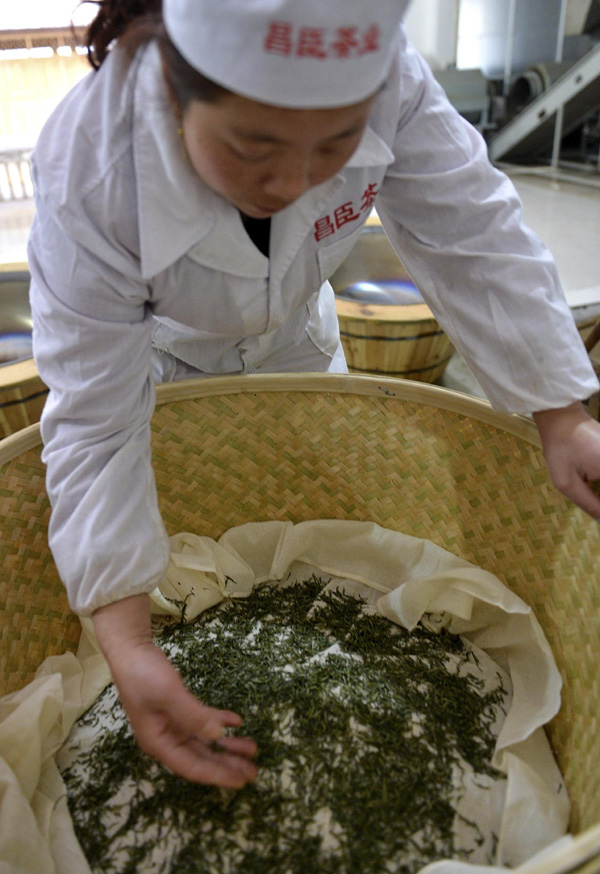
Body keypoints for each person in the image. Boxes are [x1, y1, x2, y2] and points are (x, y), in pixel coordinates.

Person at [28, 0, 600, 789]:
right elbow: (93, 412)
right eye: (252, 145)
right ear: (176, 88)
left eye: (335, 145)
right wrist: (129, 645)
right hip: (162, 370)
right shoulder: (91, 164)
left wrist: (561, 415)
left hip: (298, 341)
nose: (293, 183)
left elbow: (473, 232)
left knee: (303, 566)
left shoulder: (391, 79)